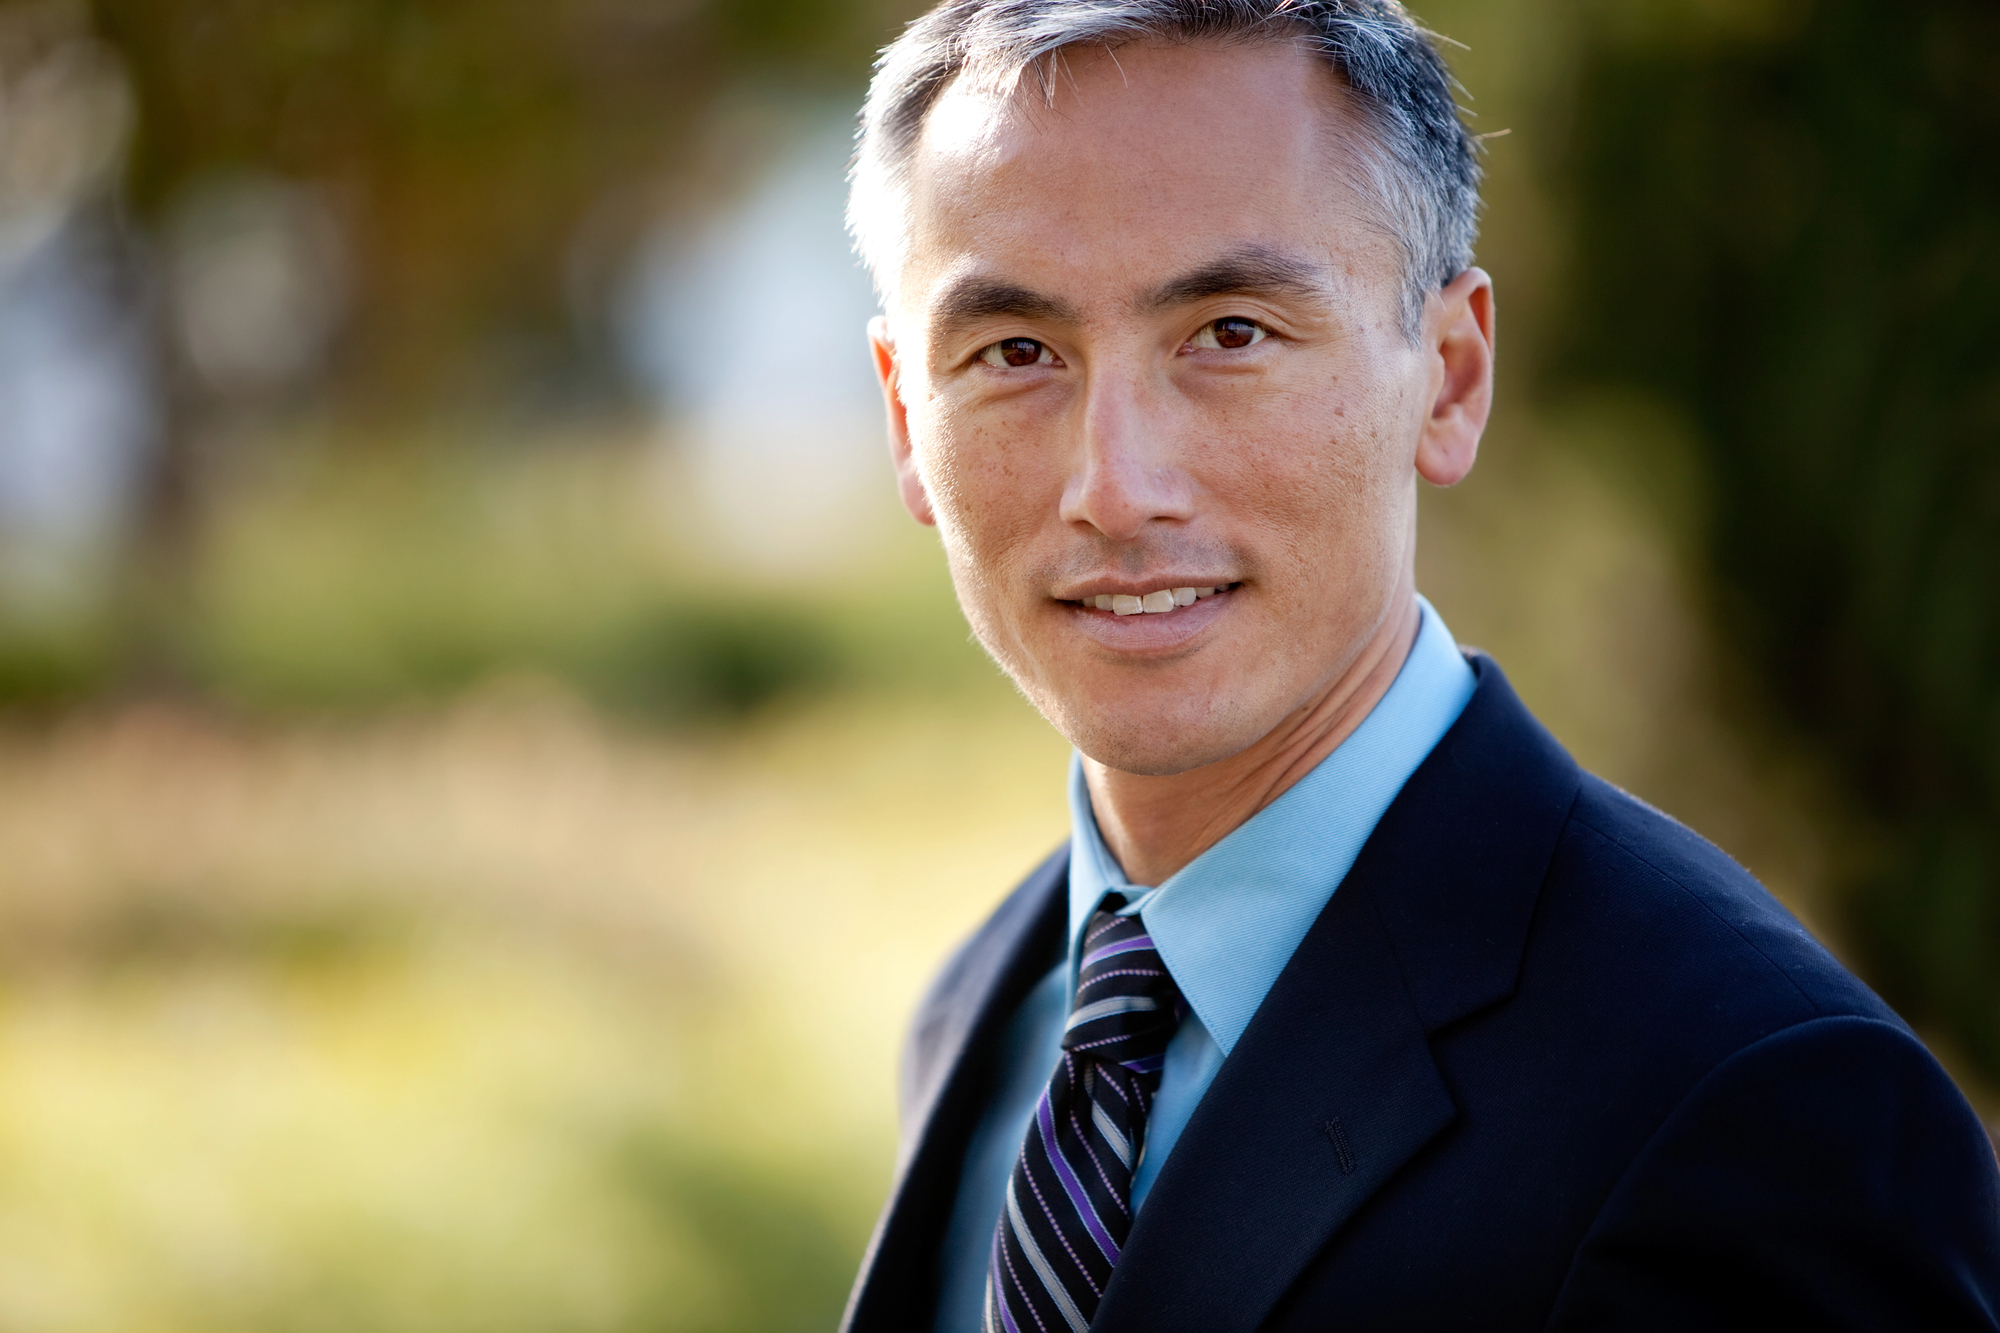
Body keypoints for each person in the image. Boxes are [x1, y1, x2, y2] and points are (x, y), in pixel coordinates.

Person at [838, 2, 2000, 1329]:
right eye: (1016, 352)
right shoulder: (988, 1010)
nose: (1115, 485)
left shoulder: (1756, 1106)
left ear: (1447, 377)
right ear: (904, 416)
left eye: (1230, 333)